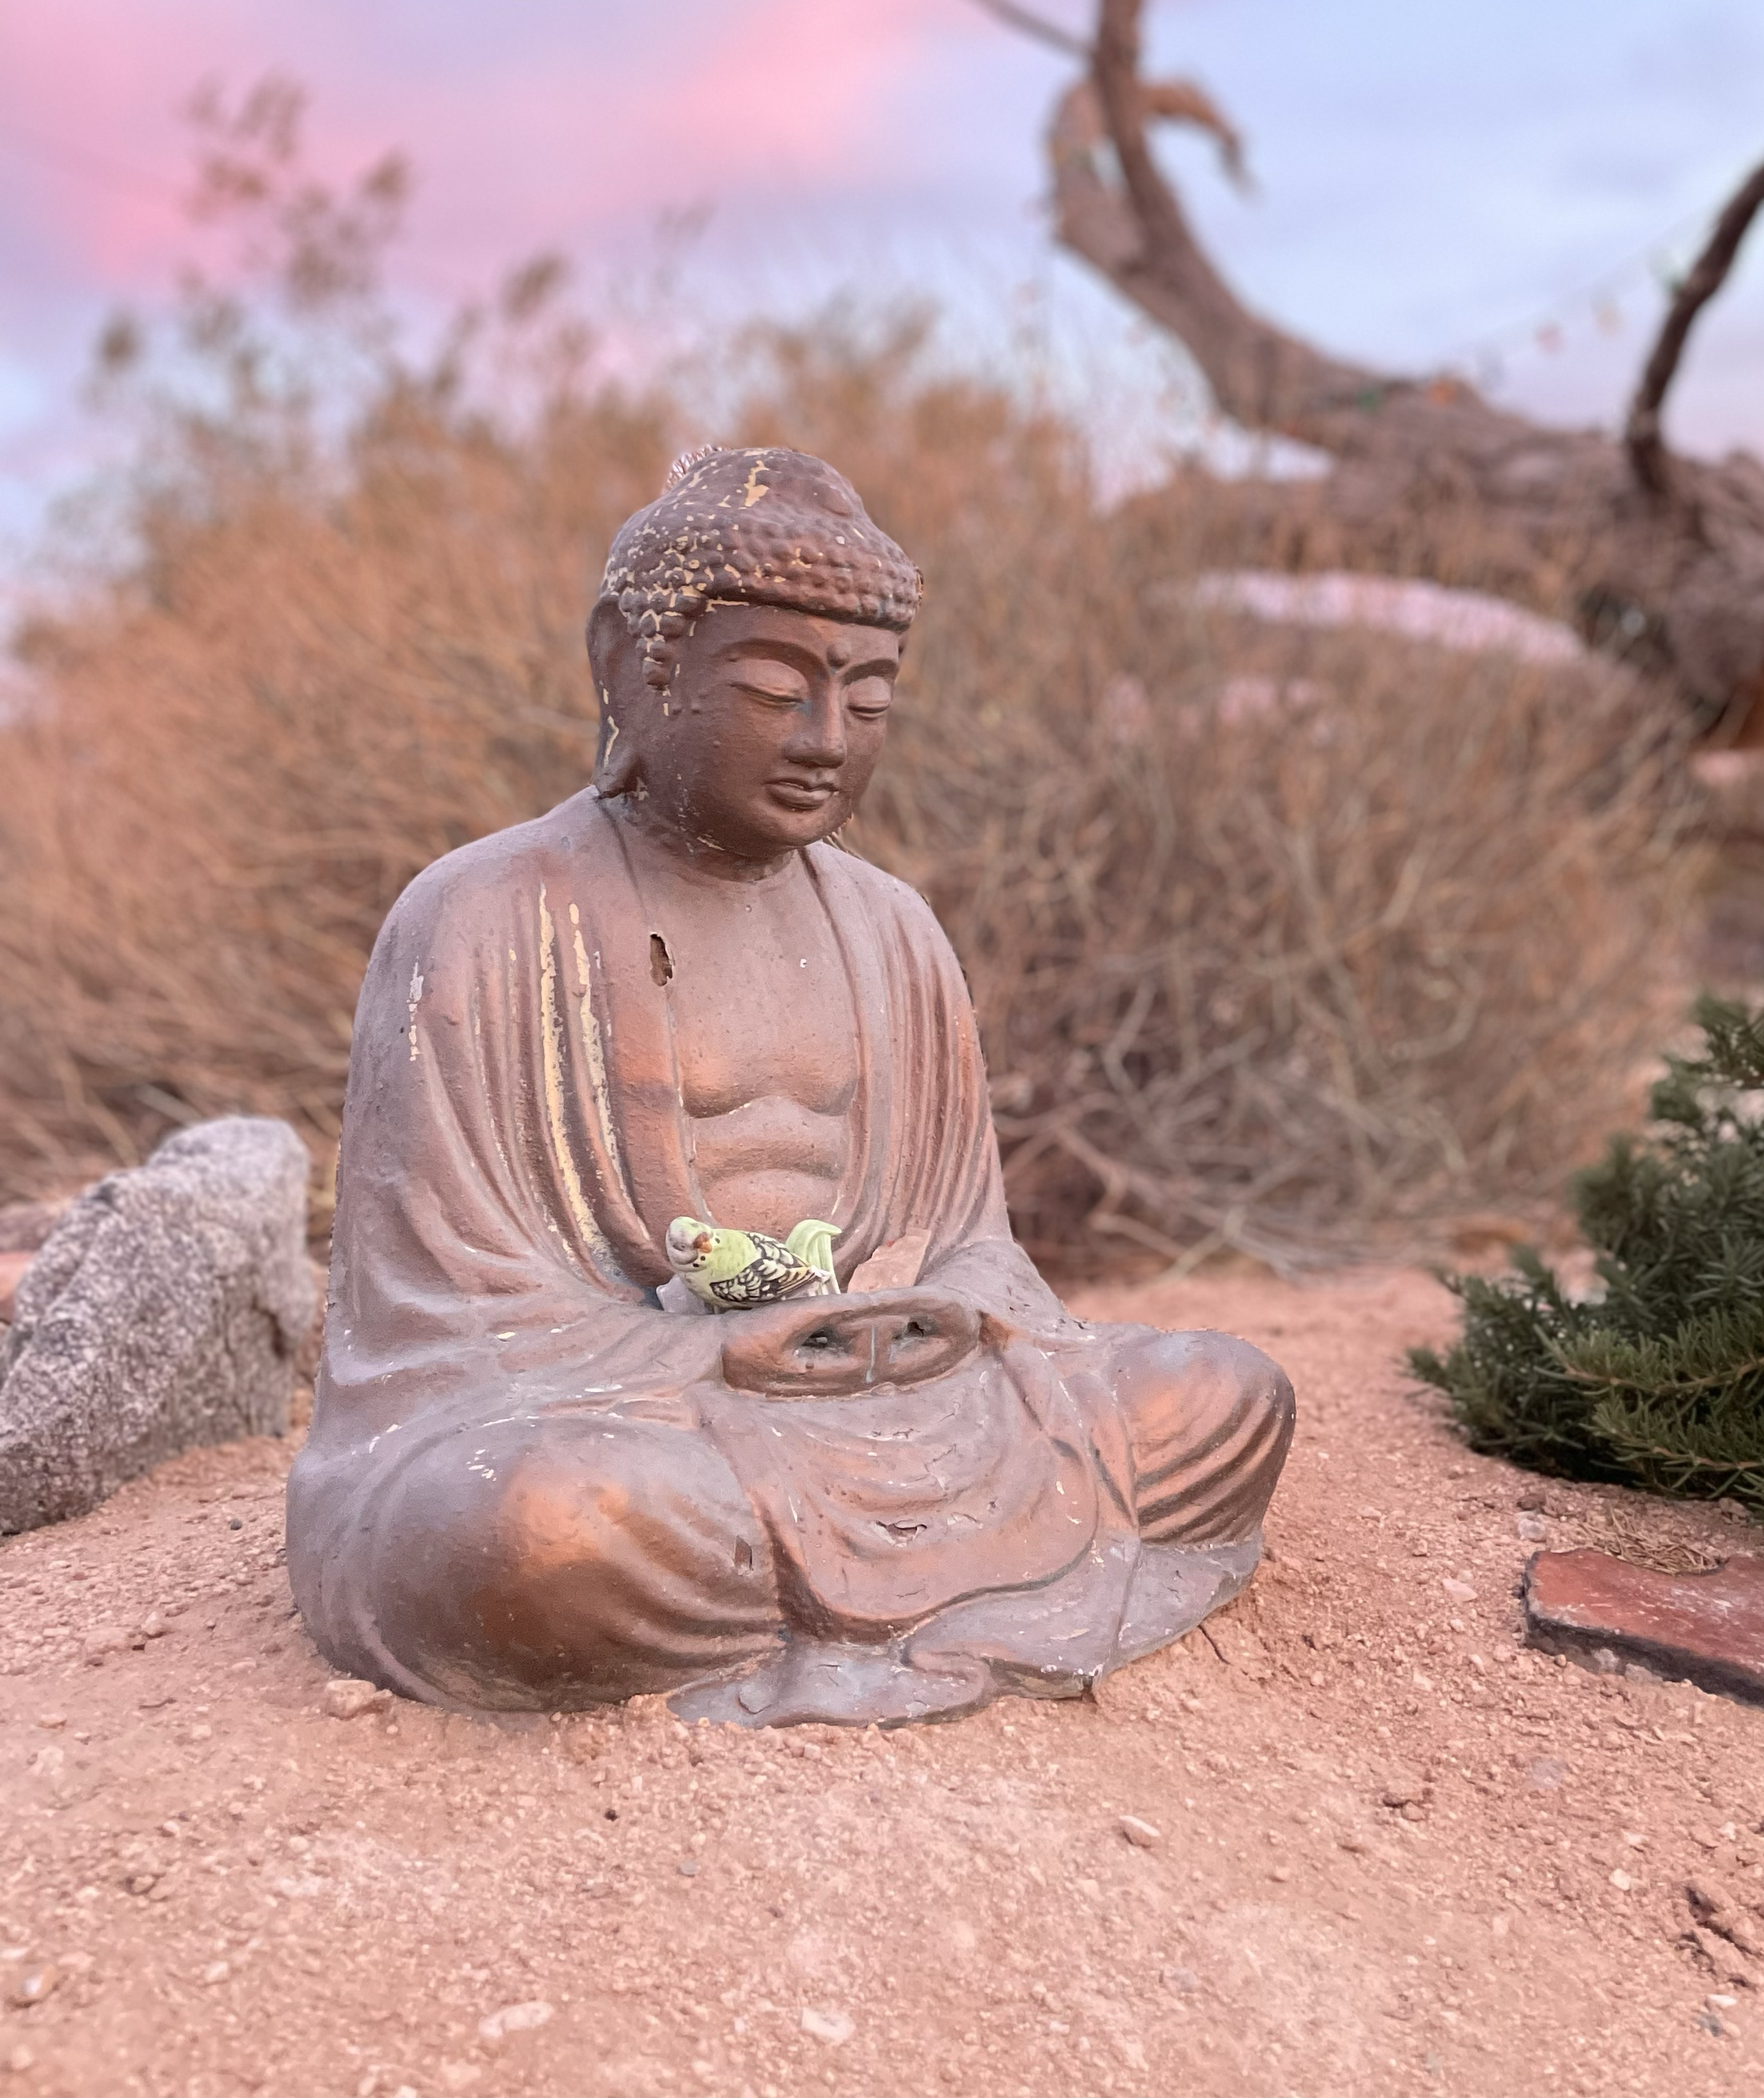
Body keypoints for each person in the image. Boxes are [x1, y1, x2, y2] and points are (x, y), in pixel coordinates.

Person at [287, 445, 1293, 1723]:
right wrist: (701, 1353)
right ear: (623, 664)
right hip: (630, 1425)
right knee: (548, 1535)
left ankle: (807, 1581)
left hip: (900, 1402)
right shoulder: (483, 916)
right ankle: (799, 1572)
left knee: (1221, 1398)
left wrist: (920, 1322)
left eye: (869, 703)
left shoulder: (895, 929)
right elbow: (444, 1312)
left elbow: (970, 1243)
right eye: (774, 690)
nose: (827, 741)